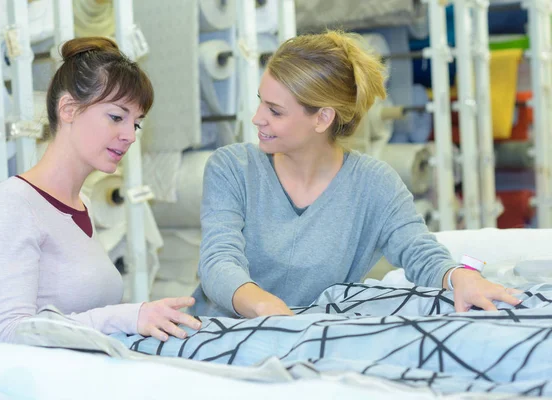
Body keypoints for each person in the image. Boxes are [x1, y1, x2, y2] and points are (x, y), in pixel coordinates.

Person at [190, 30, 521, 318]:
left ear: (322, 119)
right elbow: (218, 260)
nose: (257, 118)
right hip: (222, 334)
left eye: (274, 111)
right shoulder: (232, 167)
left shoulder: (373, 185)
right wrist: (264, 307)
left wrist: (460, 277)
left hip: (311, 340)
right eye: (261, 102)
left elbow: (419, 250)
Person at [0, 37, 200, 343]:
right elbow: (9, 334)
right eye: (116, 117)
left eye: (135, 124)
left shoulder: (82, 204)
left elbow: (85, 321)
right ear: (68, 109)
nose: (129, 136)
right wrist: (125, 316)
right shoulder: (14, 204)